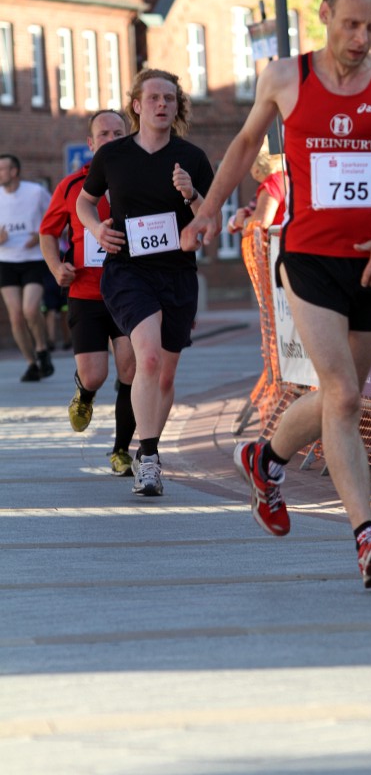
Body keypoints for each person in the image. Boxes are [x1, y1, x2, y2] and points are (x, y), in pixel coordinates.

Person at [181, 0, 371, 588]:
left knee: (339, 395)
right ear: (324, 14)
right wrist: (209, 209)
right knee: (344, 394)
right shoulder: (284, 78)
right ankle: (366, 535)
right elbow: (245, 145)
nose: (361, 38)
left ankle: (264, 457)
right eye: (351, 24)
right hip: (309, 258)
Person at [76, 69, 214, 497]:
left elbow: (211, 221)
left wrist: (191, 195)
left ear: (177, 106)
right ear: (136, 105)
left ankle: (145, 448)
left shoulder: (191, 158)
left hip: (177, 274)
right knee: (148, 359)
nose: (161, 105)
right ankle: (150, 458)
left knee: (165, 377)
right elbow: (85, 202)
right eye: (153, 97)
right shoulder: (113, 155)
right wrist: (97, 229)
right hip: (128, 271)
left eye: (169, 98)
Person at [39, 110, 138, 476]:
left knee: (131, 370)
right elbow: (47, 233)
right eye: (104, 134)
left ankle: (121, 450)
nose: (111, 139)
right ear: (91, 144)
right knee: (95, 375)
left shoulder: (140, 180)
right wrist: (56, 268)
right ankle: (85, 394)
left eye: (118, 133)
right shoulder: (71, 186)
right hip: (85, 293)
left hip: (131, 293)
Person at [0, 153, 54, 382]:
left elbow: (55, 216)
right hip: (6, 261)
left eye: (2, 169)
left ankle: (42, 349)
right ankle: (31, 363)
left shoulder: (35, 192)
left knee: (30, 310)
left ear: (14, 171)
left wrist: (41, 234)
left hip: (33, 259)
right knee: (15, 316)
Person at [227, 150, 289, 234]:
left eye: (250, 167)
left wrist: (242, 223)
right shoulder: (286, 177)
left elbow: (261, 221)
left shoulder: (273, 182)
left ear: (257, 170)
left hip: (279, 239)